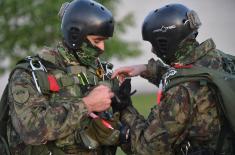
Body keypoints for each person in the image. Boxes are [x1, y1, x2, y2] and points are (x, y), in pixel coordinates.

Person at [112, 4, 235, 155]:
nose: (152, 50)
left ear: (165, 42)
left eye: (153, 44)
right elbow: (191, 74)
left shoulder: (180, 92)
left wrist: (124, 109)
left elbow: (147, 149)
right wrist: (147, 69)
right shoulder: (220, 59)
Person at [3, 0, 123, 154]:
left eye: (104, 41)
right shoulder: (32, 74)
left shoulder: (103, 73)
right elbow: (31, 130)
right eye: (97, 41)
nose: (102, 48)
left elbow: (130, 138)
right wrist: (87, 105)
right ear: (75, 35)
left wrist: (122, 110)